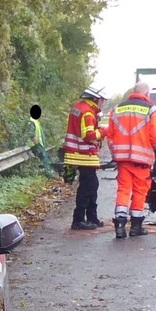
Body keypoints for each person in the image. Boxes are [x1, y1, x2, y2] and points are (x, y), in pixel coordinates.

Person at [104, 81, 156, 239]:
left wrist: (115, 153)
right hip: (142, 160)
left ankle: (120, 226)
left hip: (122, 159)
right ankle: (136, 227)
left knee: (123, 190)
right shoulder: (151, 110)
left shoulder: (117, 109)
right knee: (139, 191)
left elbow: (110, 136)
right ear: (147, 93)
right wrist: (154, 148)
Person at [63, 86, 106, 230]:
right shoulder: (88, 112)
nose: (103, 103)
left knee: (91, 185)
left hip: (78, 153)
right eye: (102, 100)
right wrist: (103, 132)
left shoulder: (78, 107)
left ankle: (92, 218)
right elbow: (88, 135)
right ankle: (79, 219)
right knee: (88, 187)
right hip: (83, 155)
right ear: (95, 98)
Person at [28, 104, 57, 178]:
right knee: (44, 161)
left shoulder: (35, 121)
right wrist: (37, 143)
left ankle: (49, 175)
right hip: (36, 145)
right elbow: (31, 133)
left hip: (39, 145)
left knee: (45, 159)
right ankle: (50, 175)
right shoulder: (32, 121)